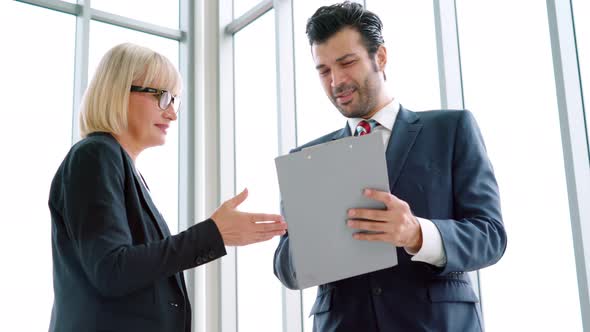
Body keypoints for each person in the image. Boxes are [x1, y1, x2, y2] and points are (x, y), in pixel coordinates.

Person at [273, 2, 507, 331]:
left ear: (380, 57)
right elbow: (287, 270)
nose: (336, 80)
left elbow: (490, 236)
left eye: (347, 62)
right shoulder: (306, 159)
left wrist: (416, 233)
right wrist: (311, 240)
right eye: (324, 70)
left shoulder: (451, 130)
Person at [48, 43, 287, 332]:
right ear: (119, 91)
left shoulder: (122, 167)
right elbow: (111, 270)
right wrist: (213, 233)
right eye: (161, 97)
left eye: (175, 100)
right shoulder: (96, 154)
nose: (172, 113)